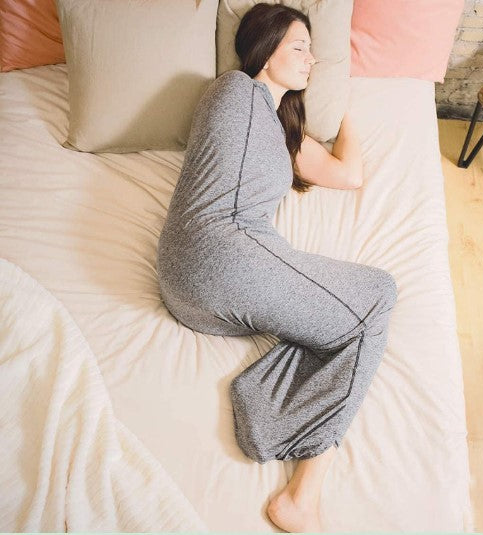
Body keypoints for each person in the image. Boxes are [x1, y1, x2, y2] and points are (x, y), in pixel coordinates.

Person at [156, 3, 398, 532]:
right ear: (264, 51)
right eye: (299, 47)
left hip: (192, 291)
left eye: (314, 50)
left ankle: (263, 405)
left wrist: (345, 109)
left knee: (337, 325)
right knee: (377, 296)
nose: (312, 59)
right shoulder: (234, 89)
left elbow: (349, 175)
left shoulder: (282, 133)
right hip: (222, 249)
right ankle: (300, 486)